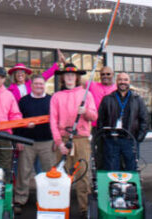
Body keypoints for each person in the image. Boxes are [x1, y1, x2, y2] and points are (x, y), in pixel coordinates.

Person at [50, 63, 97, 219]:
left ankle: (84, 209)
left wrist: (86, 112)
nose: (69, 77)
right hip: (64, 139)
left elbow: (94, 117)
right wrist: (59, 143)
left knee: (83, 174)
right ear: (63, 78)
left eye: (72, 75)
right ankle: (61, 207)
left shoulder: (86, 95)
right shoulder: (56, 96)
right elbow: (53, 121)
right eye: (66, 75)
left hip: (81, 139)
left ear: (77, 77)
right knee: (62, 175)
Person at [13, 75, 55, 215]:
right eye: (36, 84)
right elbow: (17, 121)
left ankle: (49, 199)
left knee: (49, 172)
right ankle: (20, 199)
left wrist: (57, 140)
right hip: (27, 141)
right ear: (31, 85)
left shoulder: (51, 100)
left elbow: (56, 121)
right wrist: (18, 139)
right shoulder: (23, 101)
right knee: (23, 172)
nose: (39, 86)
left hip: (47, 141)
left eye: (41, 84)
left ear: (45, 85)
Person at [97, 72, 148, 171]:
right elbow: (100, 120)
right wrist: (104, 136)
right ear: (116, 82)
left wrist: (138, 138)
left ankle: (129, 187)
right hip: (112, 140)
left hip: (130, 140)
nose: (123, 82)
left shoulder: (137, 100)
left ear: (129, 82)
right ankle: (115, 187)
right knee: (112, 170)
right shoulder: (107, 99)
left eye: (125, 80)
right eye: (120, 80)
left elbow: (144, 120)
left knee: (131, 169)